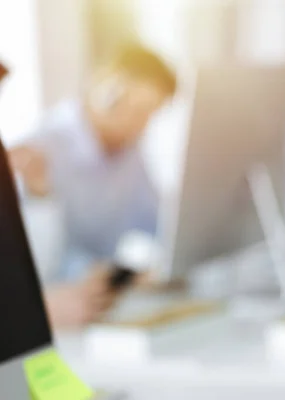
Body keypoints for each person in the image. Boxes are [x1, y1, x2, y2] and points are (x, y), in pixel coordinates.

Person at [8, 43, 177, 329]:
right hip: (59, 310)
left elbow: (160, 223)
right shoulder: (37, 153)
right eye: (138, 109)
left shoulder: (129, 152)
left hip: (100, 303)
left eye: (150, 114)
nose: (142, 124)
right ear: (107, 92)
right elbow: (40, 261)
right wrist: (99, 274)